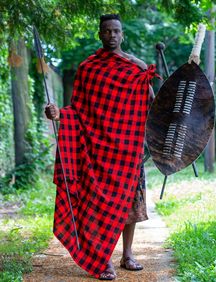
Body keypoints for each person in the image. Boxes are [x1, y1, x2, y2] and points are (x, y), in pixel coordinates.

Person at [45, 14, 159, 280]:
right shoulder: (88, 68)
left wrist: (146, 75)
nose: (112, 36)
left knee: (130, 202)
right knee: (97, 203)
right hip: (98, 150)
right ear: (99, 34)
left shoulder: (136, 67)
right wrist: (59, 114)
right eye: (106, 31)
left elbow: (151, 103)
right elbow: (78, 110)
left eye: (116, 31)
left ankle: (127, 254)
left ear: (123, 34)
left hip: (129, 148)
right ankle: (101, 259)